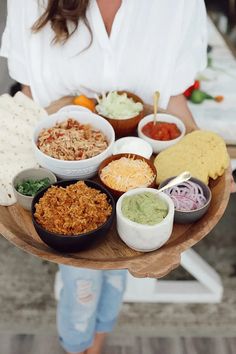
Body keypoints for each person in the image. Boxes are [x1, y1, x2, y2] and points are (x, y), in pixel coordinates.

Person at [0, 1, 225, 353]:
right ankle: (76, 344)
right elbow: (29, 97)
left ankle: (99, 339)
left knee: (120, 269)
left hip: (134, 178)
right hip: (59, 174)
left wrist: (205, 160)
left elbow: (174, 98)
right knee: (80, 282)